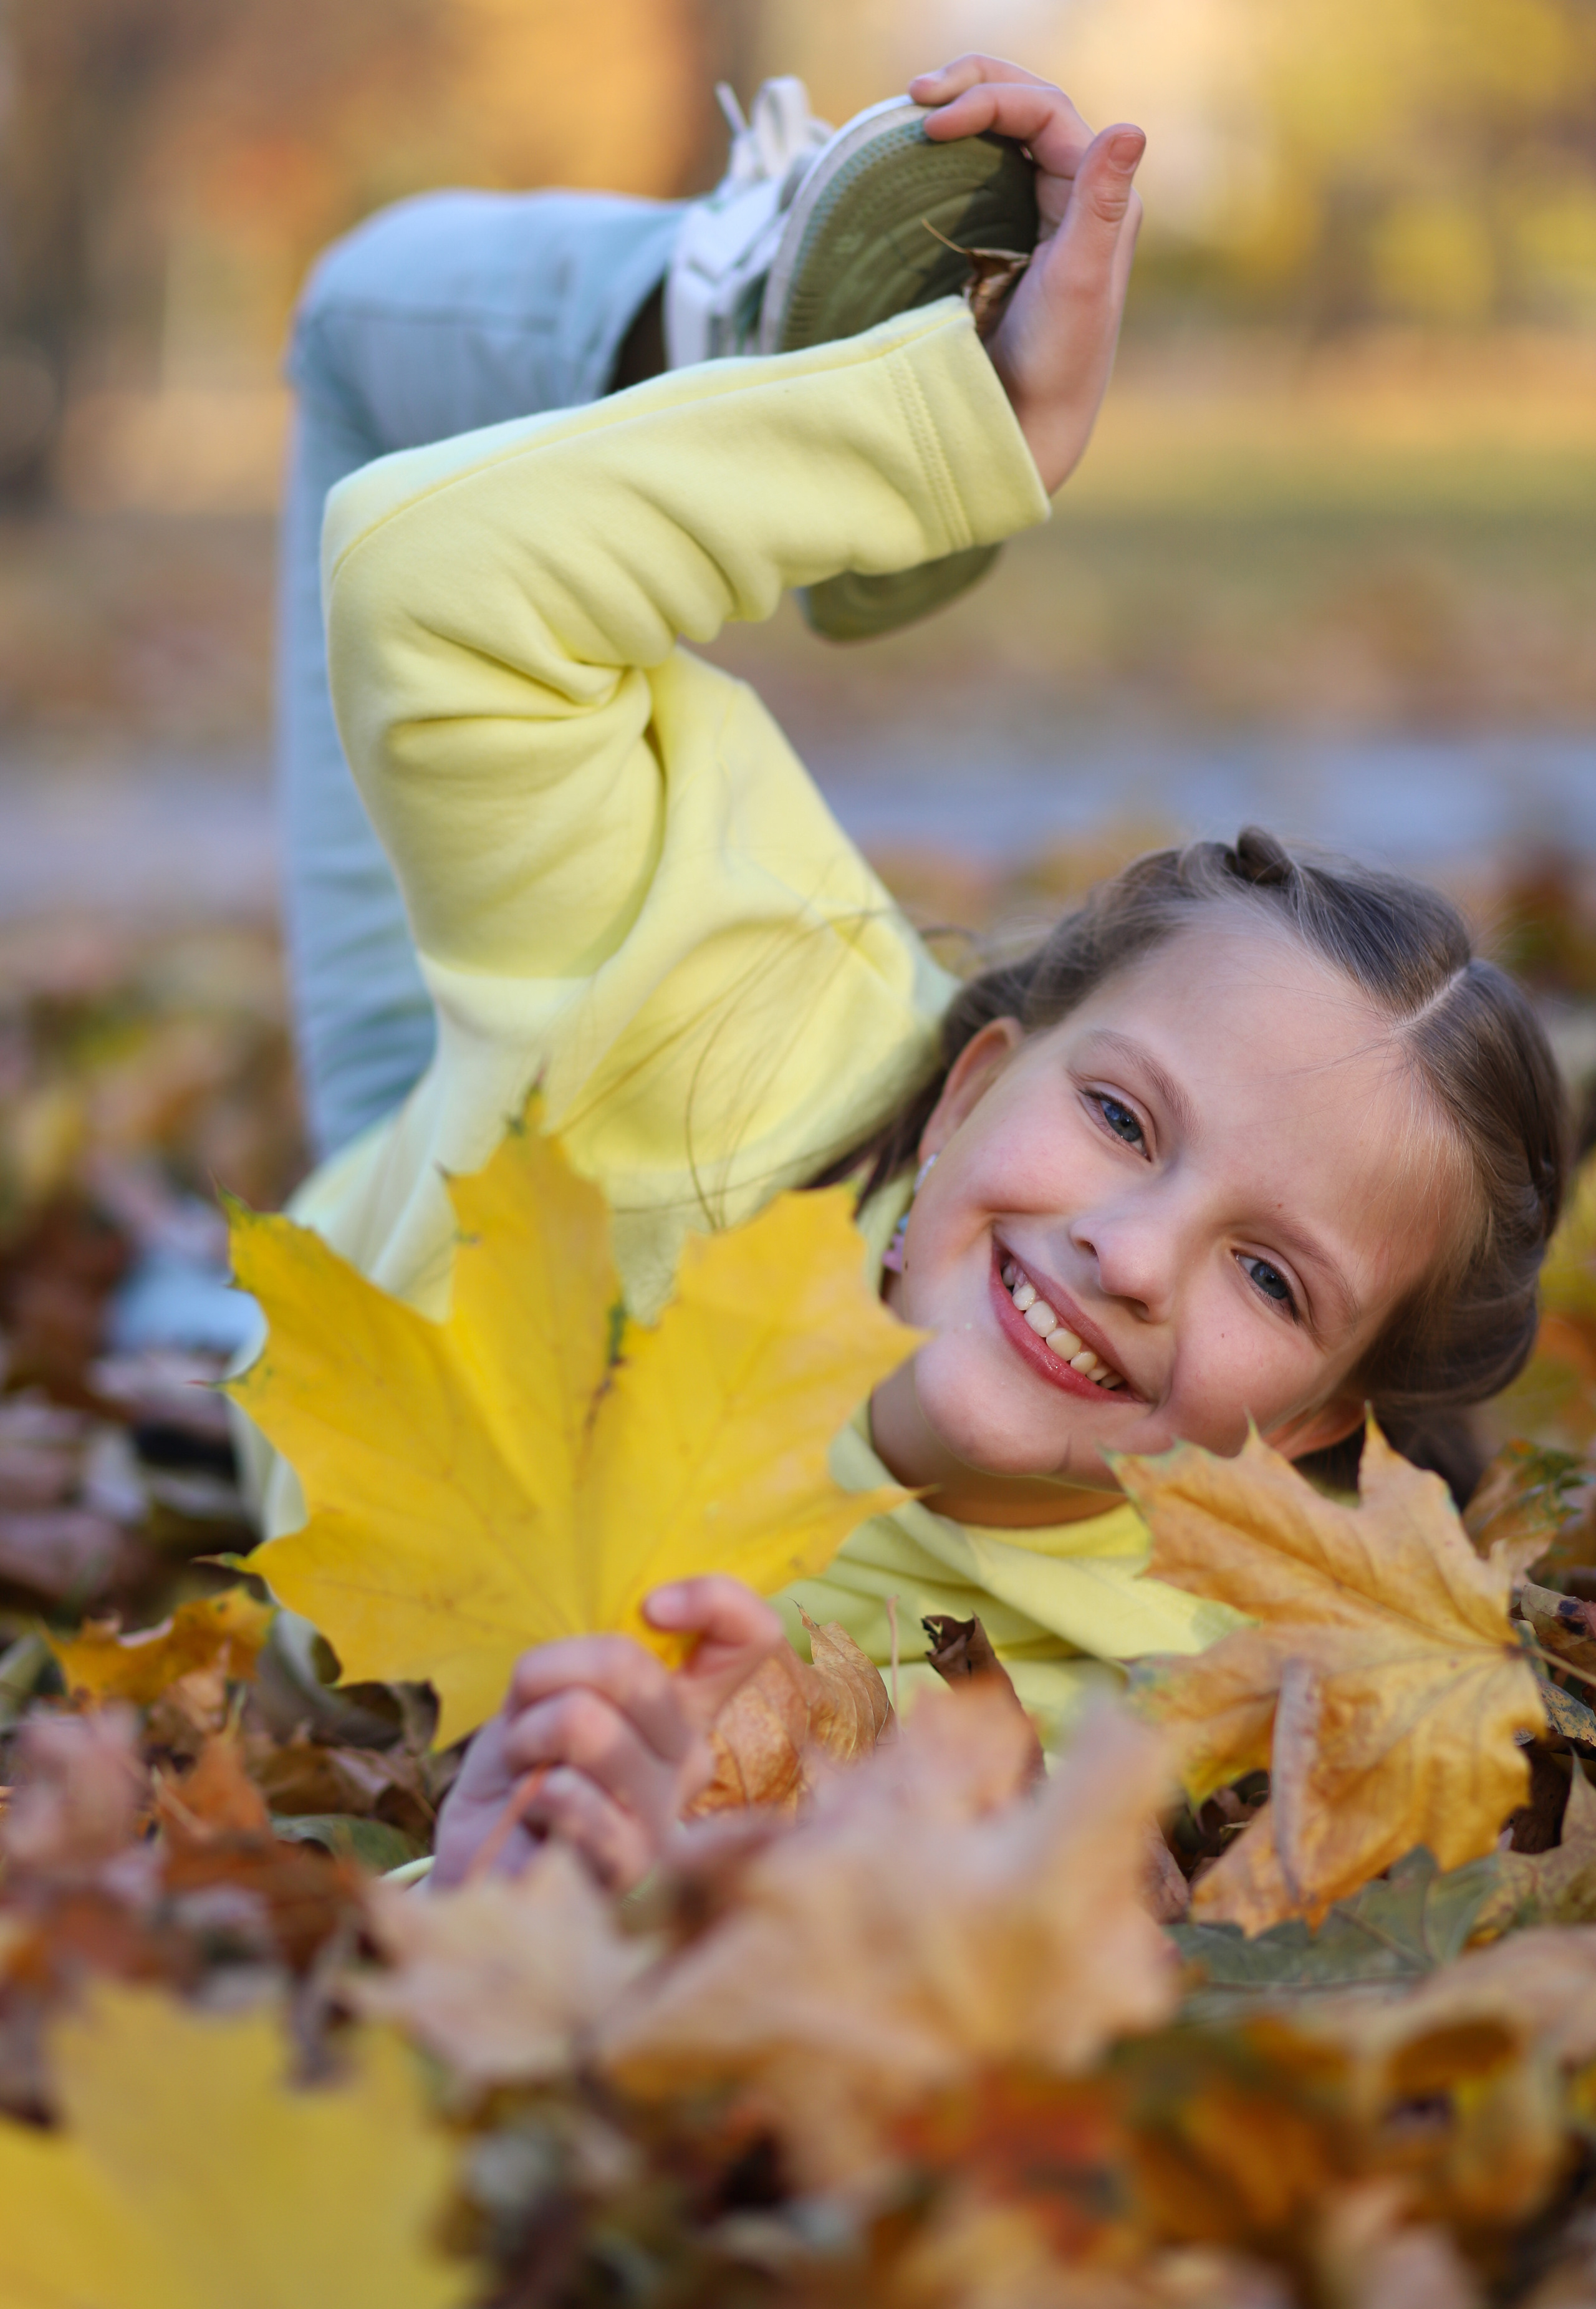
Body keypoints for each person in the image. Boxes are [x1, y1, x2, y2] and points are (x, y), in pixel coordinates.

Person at [262, 57, 1569, 1894]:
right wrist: (955, 442)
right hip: (504, 1105)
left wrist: (533, 1888)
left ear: (1323, 1422)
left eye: (1271, 1276)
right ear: (974, 1083)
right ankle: (722, 331)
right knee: (348, 331)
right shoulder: (742, 996)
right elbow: (424, 583)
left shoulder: (1141, 1689)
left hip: (405, 1261)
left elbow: (717, 1969)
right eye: (1122, 1118)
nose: (1132, 1252)